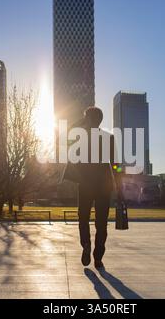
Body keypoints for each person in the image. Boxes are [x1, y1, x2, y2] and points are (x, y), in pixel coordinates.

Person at [62, 106, 119, 269]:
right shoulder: (109, 138)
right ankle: (98, 257)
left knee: (83, 218)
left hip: (85, 184)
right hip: (104, 186)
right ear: (100, 120)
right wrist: (118, 182)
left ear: (87, 119)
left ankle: (86, 245)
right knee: (101, 223)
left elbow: (66, 137)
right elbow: (116, 165)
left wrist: (79, 122)